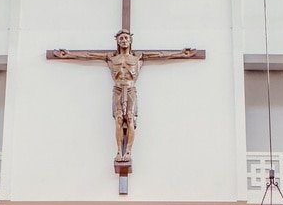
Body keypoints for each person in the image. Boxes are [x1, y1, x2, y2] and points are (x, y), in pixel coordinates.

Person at [53, 31, 196, 161]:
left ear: (131, 40)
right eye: (121, 38)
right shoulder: (111, 57)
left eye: (126, 38)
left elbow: (160, 55)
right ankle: (118, 151)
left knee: (130, 118)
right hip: (117, 89)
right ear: (117, 41)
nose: (124, 40)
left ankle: (128, 151)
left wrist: (181, 54)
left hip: (131, 88)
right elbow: (89, 55)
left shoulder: (138, 57)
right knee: (119, 120)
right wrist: (69, 54)